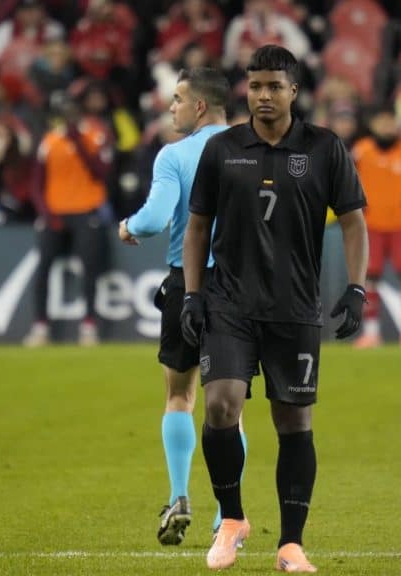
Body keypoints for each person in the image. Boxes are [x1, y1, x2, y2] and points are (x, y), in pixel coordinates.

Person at [181, 45, 368, 572]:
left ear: (293, 91)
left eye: (274, 86)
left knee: (293, 421)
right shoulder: (223, 149)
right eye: (255, 85)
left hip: (294, 308)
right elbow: (198, 226)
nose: (263, 95)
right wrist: (194, 296)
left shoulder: (325, 148)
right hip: (230, 305)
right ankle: (233, 519)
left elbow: (354, 220)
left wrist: (357, 288)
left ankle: (290, 543)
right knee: (219, 405)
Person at [117, 67, 247, 546]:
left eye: (176, 99)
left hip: (187, 282)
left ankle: (178, 495)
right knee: (231, 408)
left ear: (199, 106)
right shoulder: (250, 150)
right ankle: (225, 516)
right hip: (240, 288)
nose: (169, 107)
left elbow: (153, 219)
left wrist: (127, 226)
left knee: (180, 396)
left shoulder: (175, 155)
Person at [24, 95, 113, 347]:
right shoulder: (49, 140)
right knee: (43, 268)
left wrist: (78, 140)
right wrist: (46, 212)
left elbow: (101, 172)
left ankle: (89, 325)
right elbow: (36, 183)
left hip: (86, 210)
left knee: (90, 269)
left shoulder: (95, 135)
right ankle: (40, 325)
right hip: (55, 212)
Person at [352, 106, 401, 349]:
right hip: (371, 225)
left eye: (390, 121)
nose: (386, 127)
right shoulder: (361, 151)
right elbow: (341, 178)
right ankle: (372, 333)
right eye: (381, 122)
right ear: (373, 125)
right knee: (370, 277)